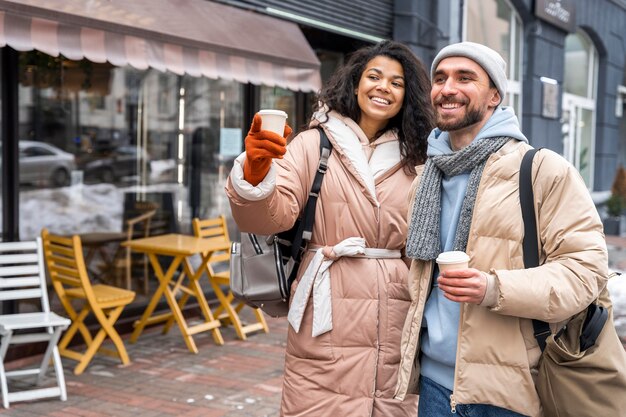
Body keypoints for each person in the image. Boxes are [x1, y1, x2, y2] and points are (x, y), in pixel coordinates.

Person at [393, 42, 608, 417]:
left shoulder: (541, 170)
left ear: (494, 95)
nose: (447, 88)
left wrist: (494, 288)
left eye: (465, 78)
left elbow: (586, 270)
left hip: (513, 392)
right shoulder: (425, 179)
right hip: (435, 386)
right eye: (439, 78)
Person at [225, 40, 434, 416]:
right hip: (325, 302)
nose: (383, 87)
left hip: (395, 310)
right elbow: (270, 216)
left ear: (408, 96)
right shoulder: (312, 144)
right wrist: (256, 173)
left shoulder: (419, 159)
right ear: (355, 84)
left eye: (396, 82)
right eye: (374, 76)